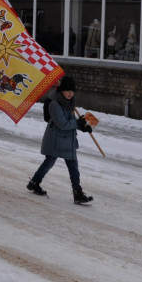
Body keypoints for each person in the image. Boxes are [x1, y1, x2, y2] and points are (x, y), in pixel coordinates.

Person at [27, 76, 94, 204]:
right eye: (67, 90)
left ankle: (77, 192)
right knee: (49, 163)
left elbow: (71, 122)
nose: (70, 93)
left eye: (72, 91)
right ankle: (34, 182)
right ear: (61, 90)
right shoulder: (54, 104)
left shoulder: (70, 103)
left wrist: (83, 127)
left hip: (68, 141)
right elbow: (62, 124)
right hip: (55, 140)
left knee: (73, 167)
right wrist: (77, 124)